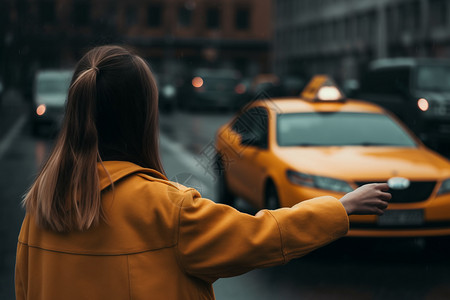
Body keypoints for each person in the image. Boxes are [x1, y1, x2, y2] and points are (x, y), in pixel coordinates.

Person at [15, 45, 391, 300]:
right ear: (144, 118)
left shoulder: (41, 207)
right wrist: (341, 207)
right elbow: (261, 235)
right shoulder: (167, 208)